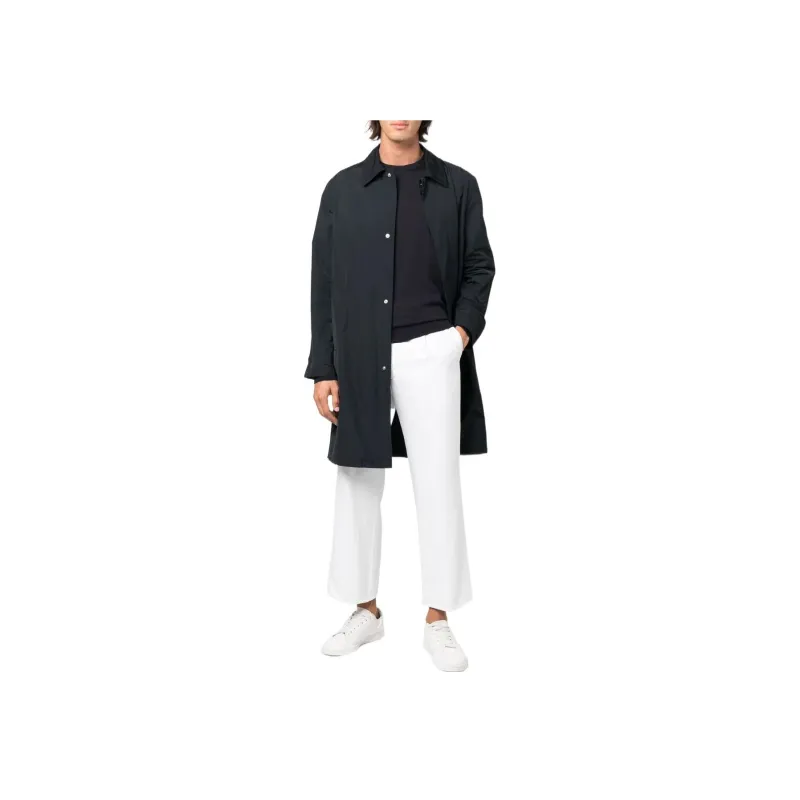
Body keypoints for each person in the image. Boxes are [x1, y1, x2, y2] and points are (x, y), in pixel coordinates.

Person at [305, 120, 495, 672]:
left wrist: (458, 335)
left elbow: (479, 265)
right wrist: (324, 367)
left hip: (431, 350)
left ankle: (438, 619)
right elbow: (323, 281)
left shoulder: (458, 186)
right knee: (357, 479)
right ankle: (365, 610)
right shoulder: (343, 189)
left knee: (438, 481)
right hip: (359, 354)